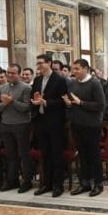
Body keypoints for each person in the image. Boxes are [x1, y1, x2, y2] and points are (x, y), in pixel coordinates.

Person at [63, 59, 106, 197]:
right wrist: (69, 104)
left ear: (85, 69)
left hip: (92, 125)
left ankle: (98, 183)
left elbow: (100, 105)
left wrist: (80, 103)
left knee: (94, 155)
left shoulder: (95, 83)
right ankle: (85, 183)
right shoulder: (73, 84)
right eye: (73, 69)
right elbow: (73, 104)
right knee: (82, 155)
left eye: (77, 69)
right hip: (77, 124)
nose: (73, 72)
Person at [31, 54, 68, 197]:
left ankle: (58, 185)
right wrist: (34, 102)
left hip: (55, 122)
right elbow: (34, 98)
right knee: (45, 154)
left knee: (56, 154)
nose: (39, 66)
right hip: (40, 121)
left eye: (41, 63)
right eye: (37, 63)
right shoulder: (38, 79)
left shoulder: (59, 80)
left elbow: (62, 102)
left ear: (49, 63)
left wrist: (46, 102)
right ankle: (46, 184)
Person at [0, 64, 33, 193]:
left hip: (21, 125)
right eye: (8, 73)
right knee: (11, 155)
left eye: (13, 73)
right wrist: (4, 103)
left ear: (19, 74)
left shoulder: (26, 88)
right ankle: (12, 180)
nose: (10, 75)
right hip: (5, 125)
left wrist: (12, 102)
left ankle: (27, 181)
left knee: (23, 154)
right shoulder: (2, 88)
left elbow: (27, 107)